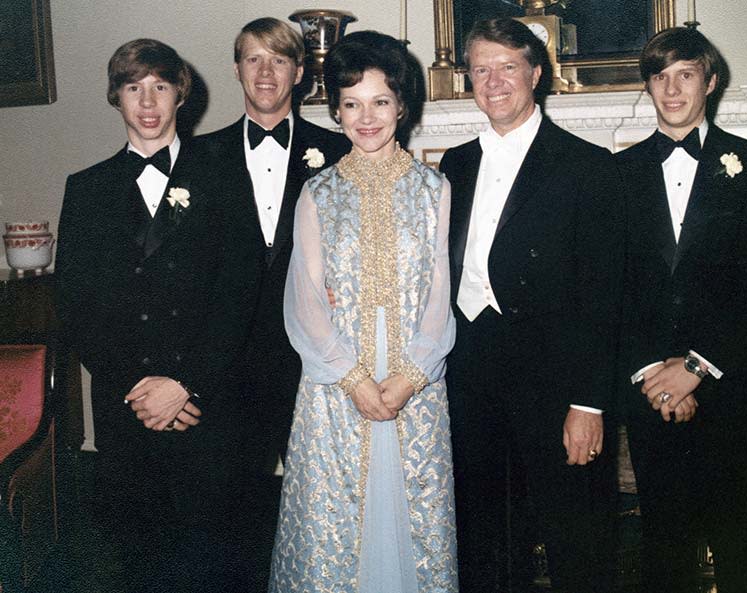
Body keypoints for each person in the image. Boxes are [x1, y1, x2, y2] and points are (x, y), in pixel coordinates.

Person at [55, 39, 259, 592]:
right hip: (128, 410)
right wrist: (140, 390)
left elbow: (240, 293)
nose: (147, 102)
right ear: (116, 98)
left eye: (160, 87)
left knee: (215, 563)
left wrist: (185, 384)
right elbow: (76, 305)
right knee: (137, 563)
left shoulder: (224, 176)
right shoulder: (86, 189)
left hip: (207, 405)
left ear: (180, 96)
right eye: (133, 87)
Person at [439, 18, 624, 593]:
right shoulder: (454, 164)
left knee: (577, 538)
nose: (493, 81)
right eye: (480, 69)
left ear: (536, 75)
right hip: (468, 376)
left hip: (556, 384)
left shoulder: (589, 166)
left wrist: (589, 404)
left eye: (508, 67)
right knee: (484, 535)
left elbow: (605, 297)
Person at [269, 31, 458, 593]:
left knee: (410, 521)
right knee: (336, 526)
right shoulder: (317, 192)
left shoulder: (434, 188)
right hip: (335, 384)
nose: (366, 117)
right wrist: (352, 379)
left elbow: (439, 297)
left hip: (414, 384)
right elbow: (304, 299)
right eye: (352, 104)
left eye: (380, 102)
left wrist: (409, 376)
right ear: (336, 110)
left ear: (402, 105)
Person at [616, 27, 747, 593]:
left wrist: (693, 370)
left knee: (737, 547)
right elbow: (613, 291)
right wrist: (654, 375)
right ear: (648, 86)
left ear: (710, 82)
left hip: (729, 387)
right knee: (662, 548)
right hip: (650, 394)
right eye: (660, 77)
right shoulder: (615, 175)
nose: (672, 90)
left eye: (685, 74)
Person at [195, 17, 350, 587]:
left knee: (323, 495)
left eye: (279, 60)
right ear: (236, 68)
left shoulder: (339, 151)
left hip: (312, 356)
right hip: (224, 363)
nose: (265, 72)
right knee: (225, 506)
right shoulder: (197, 157)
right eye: (253, 58)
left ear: (300, 74)